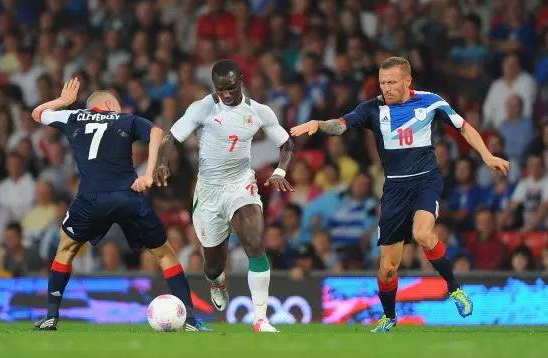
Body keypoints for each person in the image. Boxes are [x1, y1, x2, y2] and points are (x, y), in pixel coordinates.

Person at [291, 56, 509, 333]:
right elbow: (342, 124)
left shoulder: (430, 101)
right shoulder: (372, 109)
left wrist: (487, 155)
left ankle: (455, 289)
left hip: (425, 181)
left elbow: (463, 126)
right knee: (388, 268)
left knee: (423, 234)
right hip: (394, 187)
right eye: (383, 83)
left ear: (407, 81)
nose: (387, 88)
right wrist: (321, 124)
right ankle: (390, 316)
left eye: (392, 82)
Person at [30, 78, 208, 331]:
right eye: (115, 104)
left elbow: (37, 113)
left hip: (90, 198)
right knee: (164, 253)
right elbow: (157, 131)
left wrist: (63, 101)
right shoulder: (126, 119)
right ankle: (189, 319)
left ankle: (51, 316)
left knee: (66, 249)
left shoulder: (73, 117)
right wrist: (148, 173)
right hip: (128, 196)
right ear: (107, 104)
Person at [155, 59, 294, 333]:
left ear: (240, 80)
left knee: (254, 243)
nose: (227, 94)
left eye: (230, 87)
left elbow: (286, 142)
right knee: (213, 264)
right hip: (208, 191)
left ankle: (261, 320)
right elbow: (171, 137)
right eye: (221, 89)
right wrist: (161, 163)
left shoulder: (259, 111)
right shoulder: (202, 108)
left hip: (241, 184)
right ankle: (217, 282)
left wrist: (280, 170)